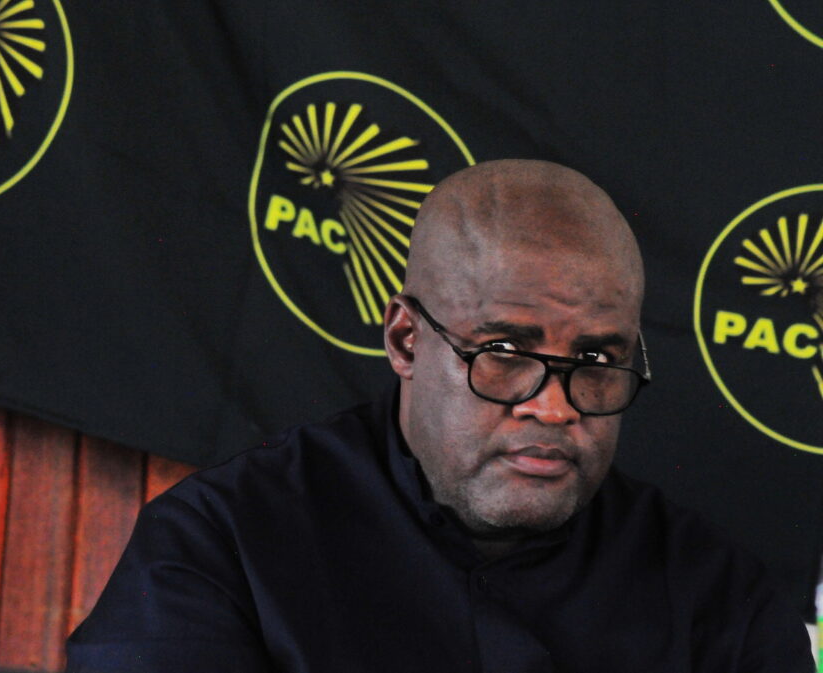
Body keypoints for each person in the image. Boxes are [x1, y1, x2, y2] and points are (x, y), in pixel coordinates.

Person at [66, 160, 814, 672]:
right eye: (504, 351)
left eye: (594, 360)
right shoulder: (223, 546)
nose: (553, 405)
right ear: (405, 340)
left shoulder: (717, 601)